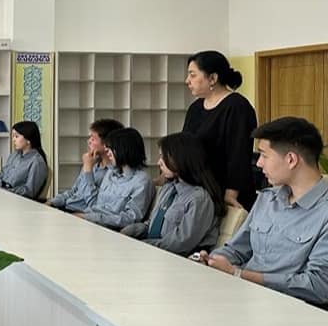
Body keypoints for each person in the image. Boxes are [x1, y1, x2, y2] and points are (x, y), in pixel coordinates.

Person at [198, 117, 328, 305]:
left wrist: (239, 274)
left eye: (264, 156)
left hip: (285, 309)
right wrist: (211, 261)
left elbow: (319, 286)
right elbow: (237, 249)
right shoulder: (267, 198)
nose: (259, 163)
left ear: (291, 159)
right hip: (240, 296)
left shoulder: (323, 213)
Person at [122, 132, 225, 256]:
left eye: (163, 157)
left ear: (180, 158)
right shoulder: (168, 189)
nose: (159, 162)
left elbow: (181, 243)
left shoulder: (199, 199)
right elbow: (153, 225)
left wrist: (142, 245)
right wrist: (131, 231)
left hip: (176, 258)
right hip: (154, 252)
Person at [183, 50, 258, 210]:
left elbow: (239, 154)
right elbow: (182, 146)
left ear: (213, 78)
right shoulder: (195, 107)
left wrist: (231, 193)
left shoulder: (237, 106)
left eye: (193, 75)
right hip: (199, 190)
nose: (187, 81)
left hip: (227, 193)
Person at [74, 127, 155, 230]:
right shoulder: (110, 173)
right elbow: (94, 204)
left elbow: (129, 219)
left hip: (106, 229)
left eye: (111, 149)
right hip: (90, 221)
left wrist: (89, 218)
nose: (108, 153)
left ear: (124, 149)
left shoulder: (141, 181)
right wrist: (87, 171)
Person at [49, 118, 124, 212]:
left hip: (80, 214)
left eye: (93, 138)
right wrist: (51, 202)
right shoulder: (92, 162)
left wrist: (88, 170)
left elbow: (94, 205)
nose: (89, 141)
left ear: (107, 143)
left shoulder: (112, 173)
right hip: (66, 208)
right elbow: (73, 191)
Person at [0, 121, 48, 199]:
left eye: (16, 136)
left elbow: (30, 191)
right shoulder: (14, 155)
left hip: (18, 201)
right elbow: (2, 173)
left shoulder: (37, 161)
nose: (13, 140)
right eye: (13, 136)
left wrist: (8, 190)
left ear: (28, 140)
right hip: (3, 196)